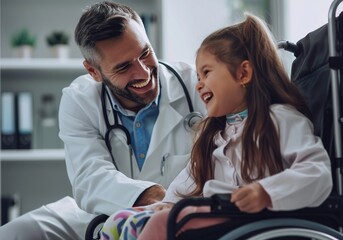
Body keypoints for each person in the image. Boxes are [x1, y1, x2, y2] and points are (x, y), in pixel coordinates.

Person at [99, 13, 333, 240]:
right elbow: (185, 183)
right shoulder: (213, 134)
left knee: (162, 223)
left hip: (254, 220)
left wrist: (267, 192)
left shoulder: (280, 119)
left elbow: (317, 173)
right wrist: (167, 204)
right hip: (219, 217)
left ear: (243, 73)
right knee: (119, 219)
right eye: (198, 77)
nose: (199, 85)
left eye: (206, 73)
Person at [0, 1, 205, 239]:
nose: (143, 72)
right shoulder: (80, 99)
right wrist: (156, 196)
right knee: (17, 232)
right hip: (106, 210)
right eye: (124, 66)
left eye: (145, 53)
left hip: (184, 212)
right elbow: (90, 177)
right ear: (93, 71)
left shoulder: (197, 85)